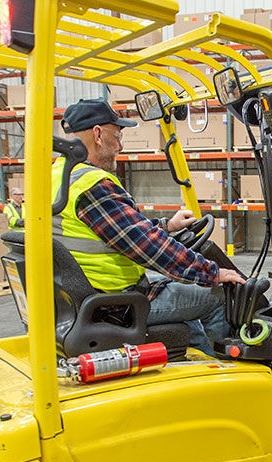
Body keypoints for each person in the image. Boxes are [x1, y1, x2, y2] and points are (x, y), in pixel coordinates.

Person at [51, 98, 244, 355]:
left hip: (82, 296)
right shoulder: (92, 185)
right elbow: (147, 247)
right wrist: (211, 273)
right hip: (115, 305)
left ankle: (197, 360)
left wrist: (167, 225)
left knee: (181, 289)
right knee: (218, 297)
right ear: (98, 134)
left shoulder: (57, 176)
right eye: (117, 135)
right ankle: (233, 375)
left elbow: (116, 231)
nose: (120, 145)